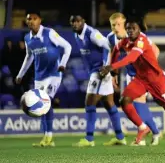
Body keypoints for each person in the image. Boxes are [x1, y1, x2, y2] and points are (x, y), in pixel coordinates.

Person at [100, 21, 165, 146]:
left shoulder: (142, 41)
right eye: (128, 28)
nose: (130, 31)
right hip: (141, 79)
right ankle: (143, 128)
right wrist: (114, 72)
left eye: (133, 28)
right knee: (124, 100)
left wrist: (111, 66)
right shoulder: (125, 41)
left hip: (156, 80)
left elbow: (131, 58)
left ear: (139, 30)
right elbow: (116, 50)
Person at [16, 12, 72, 147]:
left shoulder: (49, 33)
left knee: (46, 101)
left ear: (40, 20)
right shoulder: (27, 38)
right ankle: (47, 137)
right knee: (42, 106)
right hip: (39, 77)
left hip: (54, 73)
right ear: (26, 21)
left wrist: (63, 63)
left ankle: (49, 137)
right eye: (29, 19)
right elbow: (29, 57)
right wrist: (20, 74)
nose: (32, 22)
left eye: (34, 19)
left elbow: (67, 46)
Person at [106, 13, 163, 145]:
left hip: (144, 76)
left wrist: (148, 68)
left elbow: (156, 50)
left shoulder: (134, 34)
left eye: (119, 24)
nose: (116, 27)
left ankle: (144, 134)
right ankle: (154, 132)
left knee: (136, 103)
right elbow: (113, 54)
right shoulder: (111, 38)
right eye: (113, 25)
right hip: (130, 74)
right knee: (137, 104)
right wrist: (113, 74)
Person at [69, 15, 126, 147]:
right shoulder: (77, 35)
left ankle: (89, 139)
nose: (75, 24)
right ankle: (120, 137)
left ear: (83, 21)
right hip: (95, 71)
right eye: (73, 22)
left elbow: (108, 46)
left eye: (78, 21)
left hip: (99, 71)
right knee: (109, 104)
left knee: (89, 103)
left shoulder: (92, 33)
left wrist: (107, 67)